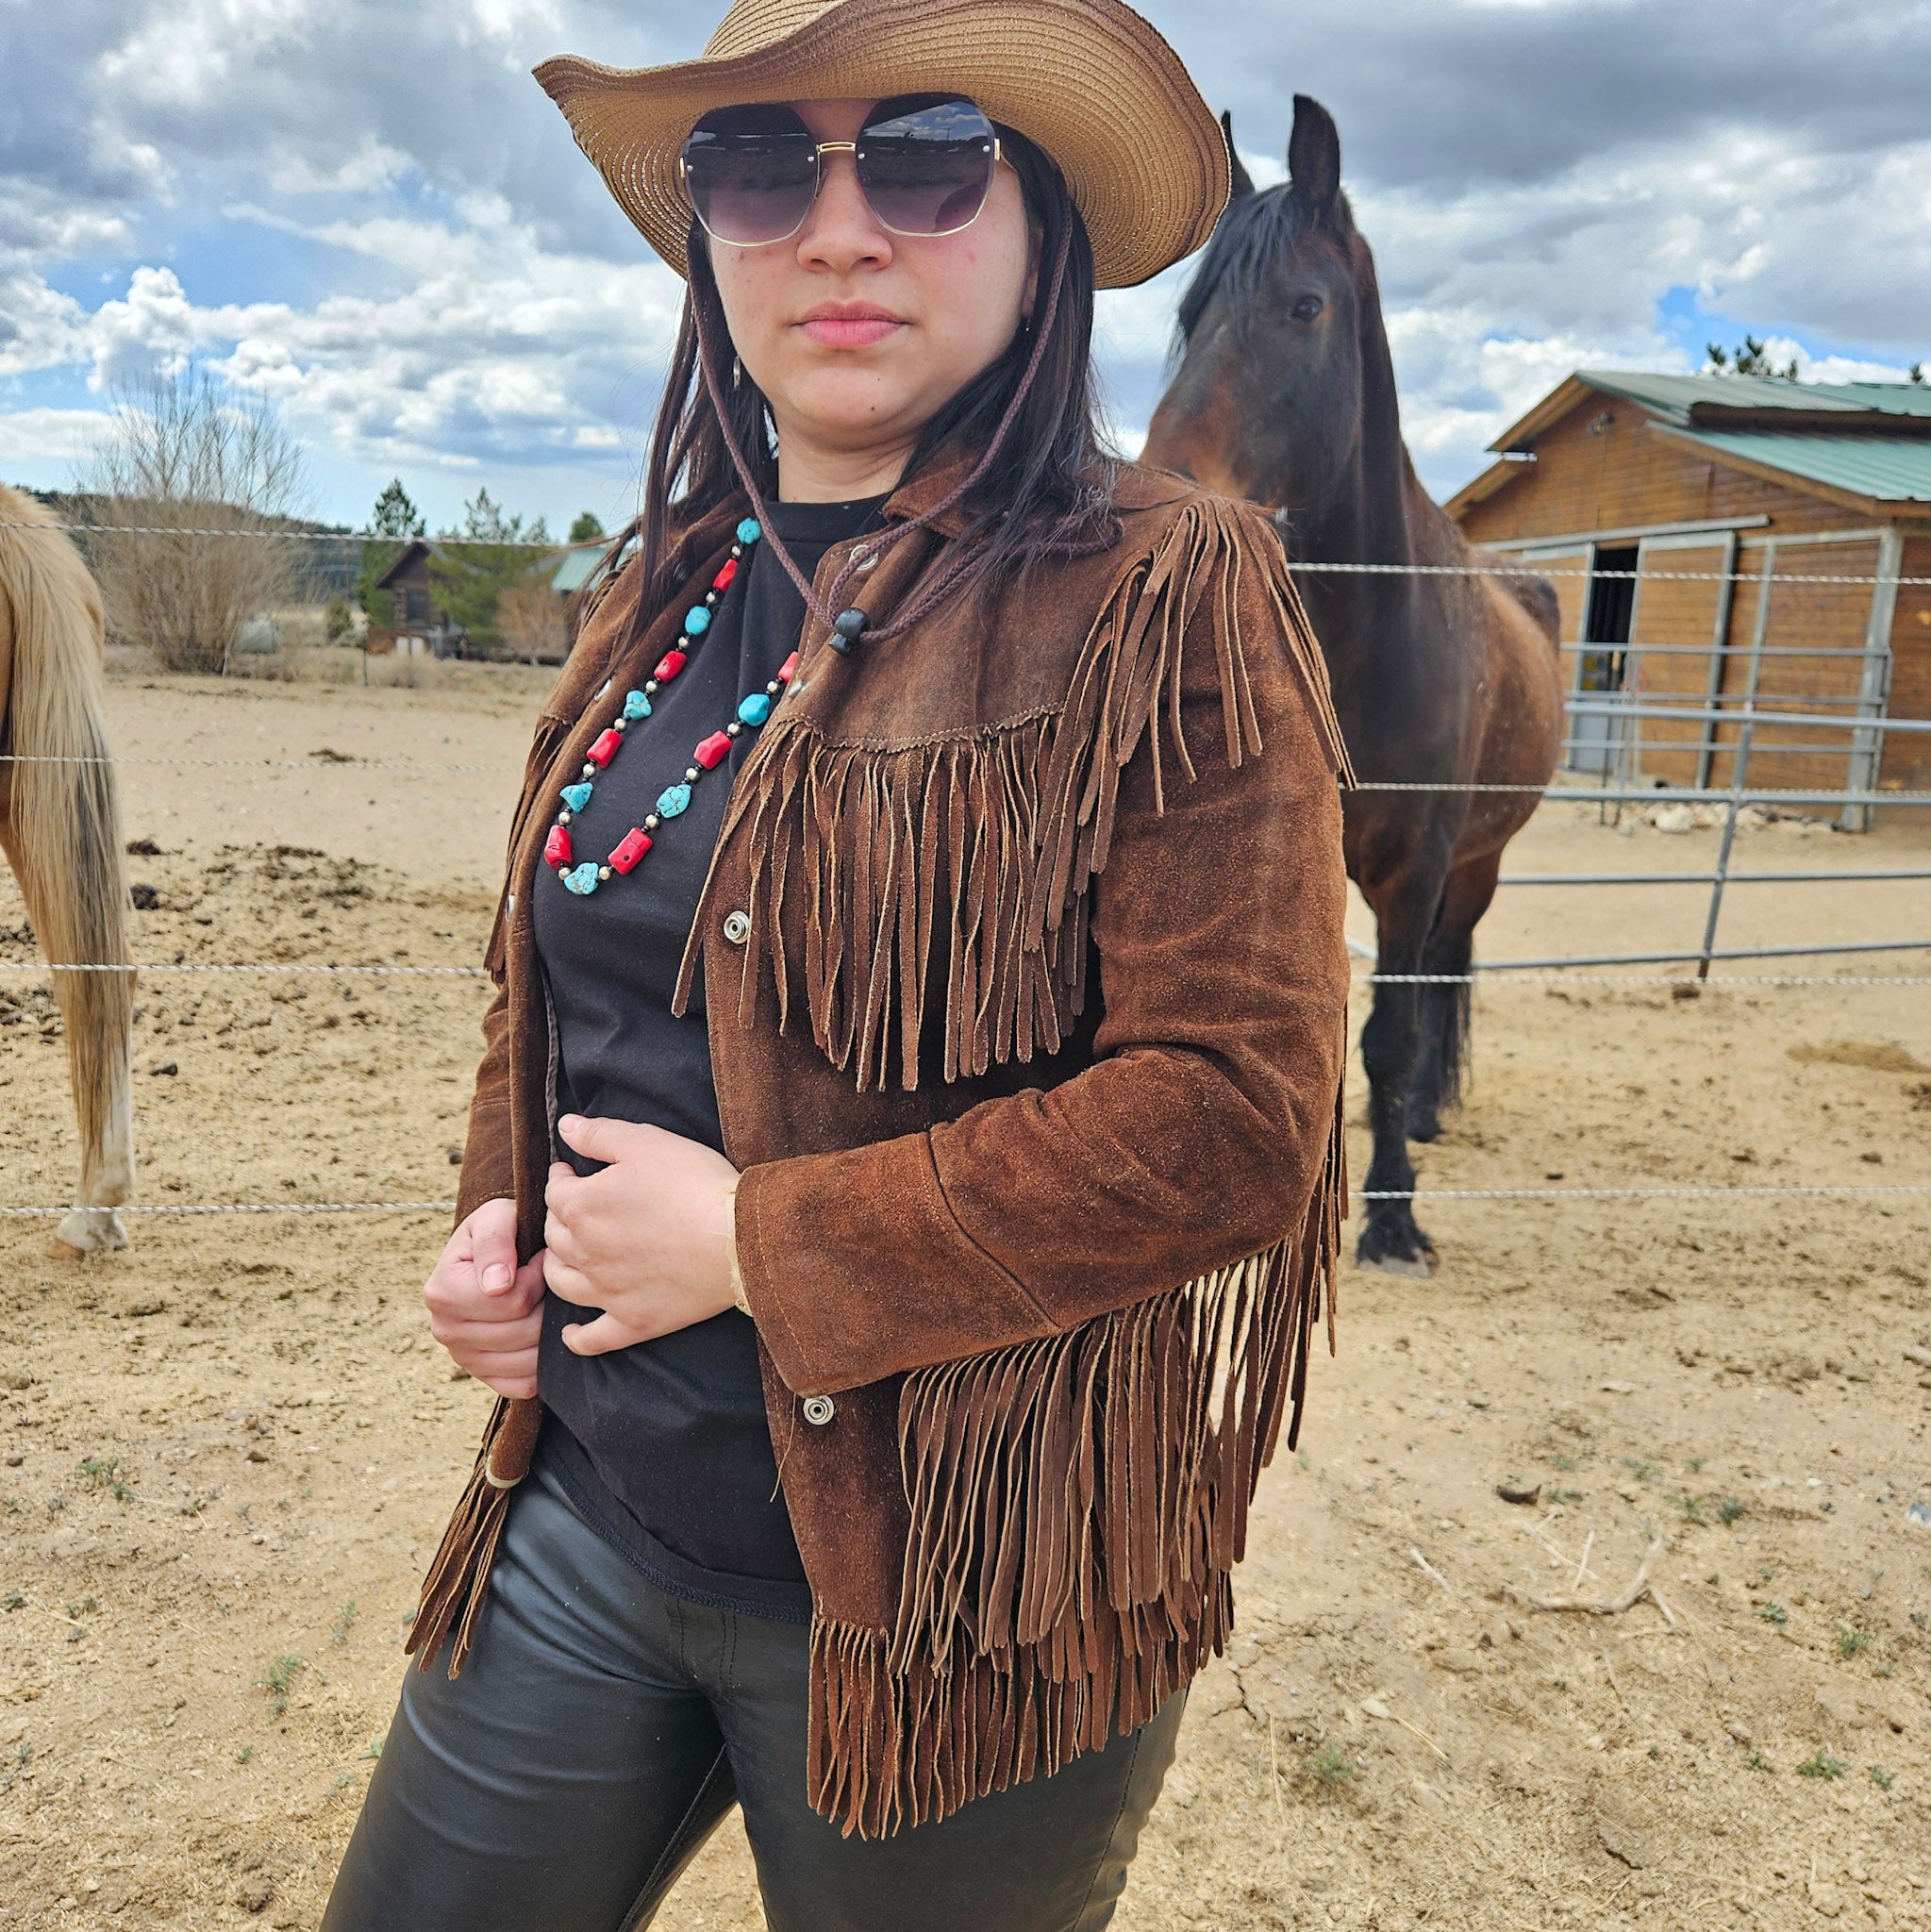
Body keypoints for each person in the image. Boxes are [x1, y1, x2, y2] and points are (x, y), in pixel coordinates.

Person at [324, 3, 1352, 1927]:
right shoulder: (667, 586)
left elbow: (1234, 1121)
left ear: (1037, 220)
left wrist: (754, 1247)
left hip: (972, 1587)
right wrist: (500, 1221)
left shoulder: (1164, 589)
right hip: (592, 1511)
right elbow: (552, 964)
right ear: (710, 234)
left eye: (929, 153)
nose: (841, 225)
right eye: (760, 165)